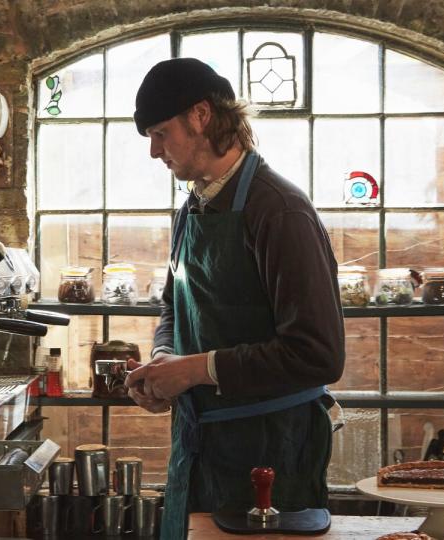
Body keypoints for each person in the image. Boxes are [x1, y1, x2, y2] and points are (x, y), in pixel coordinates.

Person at [124, 58, 345, 539]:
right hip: (201, 443)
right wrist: (166, 359)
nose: (154, 151)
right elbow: (173, 304)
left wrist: (194, 370)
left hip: (269, 452)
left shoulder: (281, 211)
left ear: (201, 116)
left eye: (160, 133)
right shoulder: (193, 206)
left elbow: (319, 354)